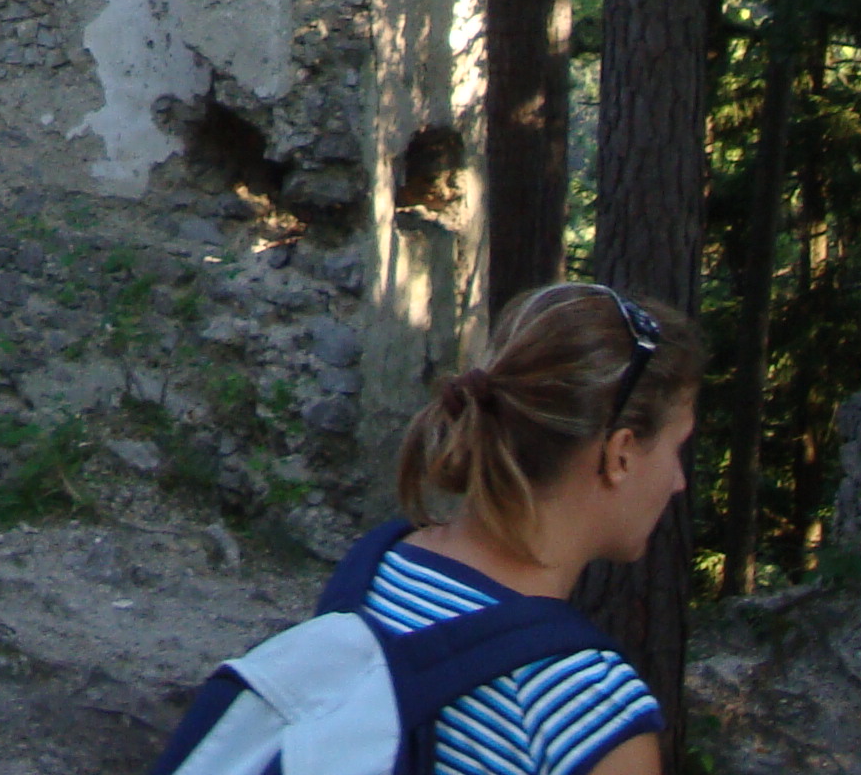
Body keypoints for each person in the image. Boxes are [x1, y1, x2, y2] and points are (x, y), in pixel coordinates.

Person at [145, 281, 700, 775]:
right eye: (677, 449)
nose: (678, 482)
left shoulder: (378, 566)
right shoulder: (588, 713)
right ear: (620, 454)